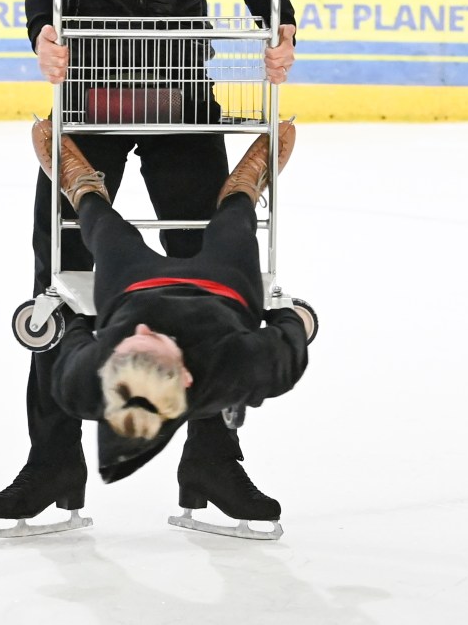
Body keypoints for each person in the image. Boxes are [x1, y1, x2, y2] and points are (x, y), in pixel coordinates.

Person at [0, 0, 297, 531]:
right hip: (91, 98)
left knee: (214, 286)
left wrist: (280, 19)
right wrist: (43, 34)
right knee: (59, 277)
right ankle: (51, 462)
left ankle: (211, 465)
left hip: (180, 98)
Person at [29, 117, 311, 494]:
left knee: (105, 229)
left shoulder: (84, 382)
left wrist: (76, 314)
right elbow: (292, 343)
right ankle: (243, 188)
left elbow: (75, 331)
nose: (143, 329)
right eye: (154, 341)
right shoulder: (235, 370)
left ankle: (82, 188)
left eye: (125, 343)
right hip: (220, 286)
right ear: (189, 377)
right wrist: (282, 312)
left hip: (135, 286)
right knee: (232, 223)